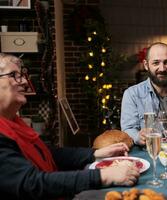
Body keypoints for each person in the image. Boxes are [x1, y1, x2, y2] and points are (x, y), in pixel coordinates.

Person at [0, 53, 140, 199]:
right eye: (14, 75)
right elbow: (31, 183)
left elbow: (48, 153)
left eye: (22, 75)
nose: (24, 82)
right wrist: (103, 176)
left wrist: (95, 153)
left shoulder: (14, 122)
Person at [121, 42, 167, 145]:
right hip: (145, 154)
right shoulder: (131, 94)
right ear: (146, 65)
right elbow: (128, 129)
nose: (162, 69)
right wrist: (137, 136)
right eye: (156, 63)